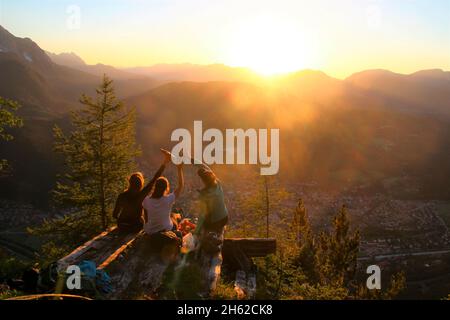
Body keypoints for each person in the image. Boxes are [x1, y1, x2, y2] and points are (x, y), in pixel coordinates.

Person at [112, 149, 172, 232]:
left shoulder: (122, 196)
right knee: (142, 220)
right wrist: (165, 162)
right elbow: (155, 178)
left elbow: (114, 215)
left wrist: (124, 219)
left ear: (129, 182)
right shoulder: (142, 195)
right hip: (135, 226)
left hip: (122, 225)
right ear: (141, 184)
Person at [142, 163, 184, 236]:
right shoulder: (168, 199)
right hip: (165, 229)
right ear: (166, 188)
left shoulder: (146, 200)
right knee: (174, 217)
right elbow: (180, 186)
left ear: (155, 187)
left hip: (150, 230)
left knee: (172, 216)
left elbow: (146, 219)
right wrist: (179, 169)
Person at [195, 164, 228, 237]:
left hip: (215, 222)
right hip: (224, 218)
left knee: (203, 224)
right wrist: (192, 160)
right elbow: (205, 167)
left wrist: (196, 232)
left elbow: (202, 215)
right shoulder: (218, 183)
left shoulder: (204, 195)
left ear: (203, 181)